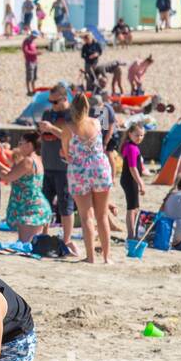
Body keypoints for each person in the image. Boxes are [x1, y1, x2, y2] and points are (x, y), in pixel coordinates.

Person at [61, 93, 114, 263]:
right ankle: (107, 257)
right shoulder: (97, 122)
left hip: (79, 170)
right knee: (102, 215)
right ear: (87, 107)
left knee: (86, 216)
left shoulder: (68, 128)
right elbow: (107, 134)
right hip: (99, 167)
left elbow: (67, 155)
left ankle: (91, 256)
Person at [37, 84, 78, 256]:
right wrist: (42, 130)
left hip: (64, 167)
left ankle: (67, 239)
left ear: (64, 98)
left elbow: (73, 138)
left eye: (54, 102)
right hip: (47, 165)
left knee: (65, 204)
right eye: (50, 101)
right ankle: (44, 236)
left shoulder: (72, 115)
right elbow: (44, 137)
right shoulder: (48, 113)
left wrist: (52, 128)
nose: (52, 105)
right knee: (45, 203)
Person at [2, 132, 51, 243]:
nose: (18, 146)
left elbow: (8, 177)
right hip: (36, 206)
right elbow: (13, 173)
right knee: (34, 245)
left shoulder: (28, 161)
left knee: (27, 245)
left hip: (30, 210)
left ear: (29, 145)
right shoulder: (37, 159)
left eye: (21, 143)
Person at [120, 122, 146, 239]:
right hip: (130, 180)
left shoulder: (132, 146)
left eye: (141, 135)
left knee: (135, 207)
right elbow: (132, 167)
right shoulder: (130, 147)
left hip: (131, 179)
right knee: (131, 208)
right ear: (130, 134)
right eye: (137, 135)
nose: (139, 138)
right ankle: (130, 234)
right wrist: (141, 183)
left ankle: (133, 232)